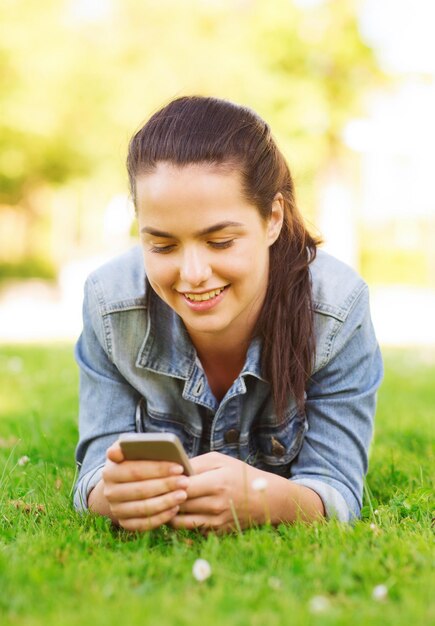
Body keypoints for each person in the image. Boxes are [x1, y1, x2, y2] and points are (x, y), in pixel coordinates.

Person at [73, 95, 383, 533]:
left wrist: (267, 499)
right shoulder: (110, 304)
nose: (193, 274)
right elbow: (93, 474)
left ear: (272, 218)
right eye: (162, 246)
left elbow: (337, 489)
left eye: (220, 242)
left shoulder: (335, 309)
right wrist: (112, 494)